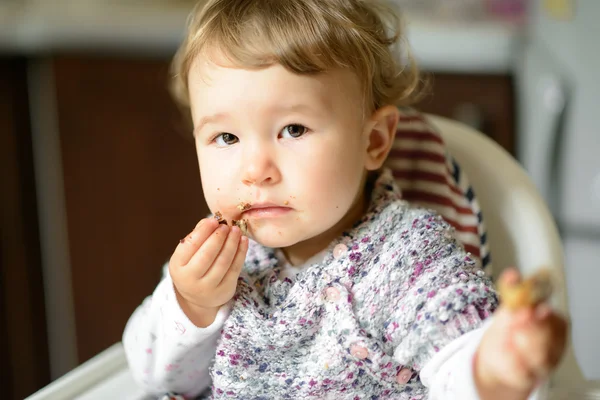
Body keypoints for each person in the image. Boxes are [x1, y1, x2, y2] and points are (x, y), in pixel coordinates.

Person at [123, 0, 568, 398]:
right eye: (226, 136)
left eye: (293, 129)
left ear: (373, 141)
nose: (254, 170)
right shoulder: (223, 258)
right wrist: (193, 305)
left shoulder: (404, 258)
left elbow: (458, 361)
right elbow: (154, 376)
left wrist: (493, 369)